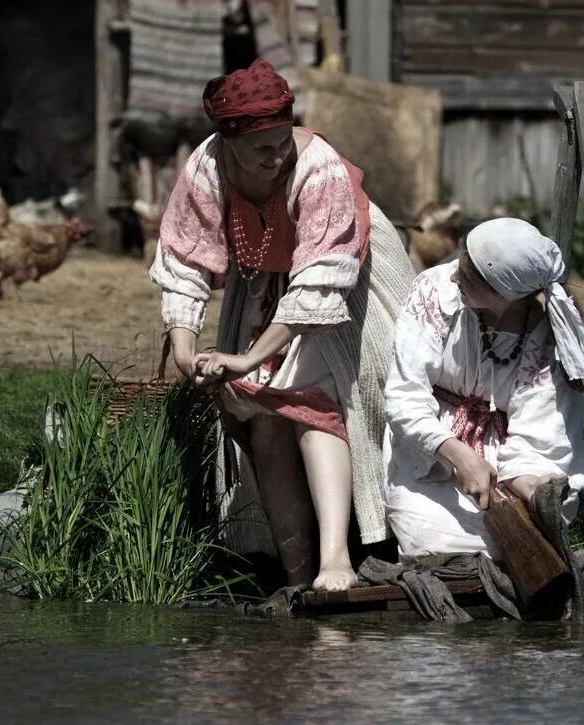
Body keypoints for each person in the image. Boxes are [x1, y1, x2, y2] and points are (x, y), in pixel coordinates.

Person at [150, 58, 414, 591]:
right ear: (228, 142)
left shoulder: (321, 169)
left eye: (282, 141)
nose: (275, 157)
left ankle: (338, 557)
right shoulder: (206, 169)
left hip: (343, 271)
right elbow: (184, 260)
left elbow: (320, 279)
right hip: (262, 277)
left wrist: (248, 357)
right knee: (263, 411)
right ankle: (292, 569)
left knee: (317, 399)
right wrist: (185, 350)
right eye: (260, 148)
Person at [382, 217, 584, 561]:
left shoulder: (548, 339)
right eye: (458, 265)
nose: (454, 276)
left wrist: (526, 487)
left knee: (532, 532)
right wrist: (461, 456)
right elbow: (404, 397)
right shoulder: (435, 291)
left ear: (505, 294)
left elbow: (541, 435)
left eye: (469, 277)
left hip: (506, 455)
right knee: (428, 542)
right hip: (430, 450)